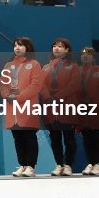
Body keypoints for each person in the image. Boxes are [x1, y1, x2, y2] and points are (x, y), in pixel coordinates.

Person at [0, 37, 44, 176]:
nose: (17, 48)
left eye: (20, 45)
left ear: (27, 47)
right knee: (17, 137)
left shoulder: (34, 64)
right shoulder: (8, 65)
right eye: (15, 46)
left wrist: (18, 98)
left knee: (29, 136)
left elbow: (35, 86)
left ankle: (30, 166)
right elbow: (3, 84)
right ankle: (22, 165)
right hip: (12, 108)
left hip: (27, 107)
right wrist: (7, 96)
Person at [39, 38, 81, 175]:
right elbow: (42, 85)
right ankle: (59, 164)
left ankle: (68, 165)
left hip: (67, 107)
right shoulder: (46, 67)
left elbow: (74, 84)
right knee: (55, 138)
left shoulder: (73, 66)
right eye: (54, 46)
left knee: (69, 138)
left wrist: (59, 96)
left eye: (60, 46)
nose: (56, 48)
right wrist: (48, 98)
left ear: (67, 50)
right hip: (51, 109)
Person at [77, 47, 99, 175]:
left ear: (94, 57)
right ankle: (90, 163)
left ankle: (98, 164)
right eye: (83, 54)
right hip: (82, 110)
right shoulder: (77, 72)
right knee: (86, 138)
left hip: (96, 109)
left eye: (89, 54)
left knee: (96, 137)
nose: (85, 56)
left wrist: (93, 103)